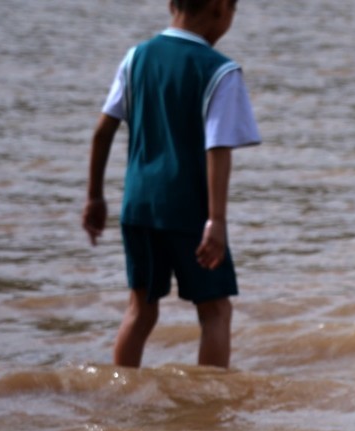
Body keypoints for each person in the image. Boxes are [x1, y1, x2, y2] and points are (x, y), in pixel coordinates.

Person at [82, 0, 261, 369]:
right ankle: (209, 410)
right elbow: (217, 148)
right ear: (218, 7)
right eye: (233, 11)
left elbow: (102, 132)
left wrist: (95, 197)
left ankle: (120, 397)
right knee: (215, 312)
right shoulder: (219, 70)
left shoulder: (136, 58)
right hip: (189, 210)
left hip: (138, 206)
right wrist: (216, 220)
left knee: (141, 310)